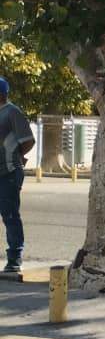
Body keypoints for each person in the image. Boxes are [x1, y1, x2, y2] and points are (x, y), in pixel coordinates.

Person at [0, 77, 35, 273]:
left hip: (9, 172)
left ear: (2, 94)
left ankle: (14, 257)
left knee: (10, 215)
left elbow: (29, 140)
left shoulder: (12, 112)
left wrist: (17, 155)